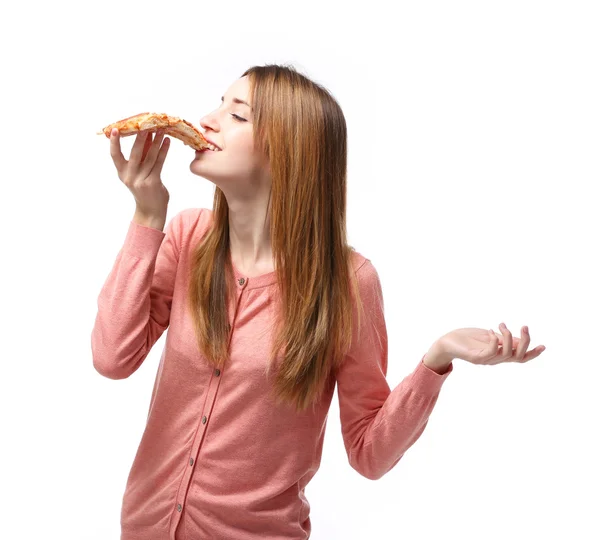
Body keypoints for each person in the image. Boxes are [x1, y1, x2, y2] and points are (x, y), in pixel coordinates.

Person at [91, 64, 546, 540]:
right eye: (218, 104)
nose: (207, 120)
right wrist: (147, 214)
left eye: (238, 116)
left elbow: (369, 453)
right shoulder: (187, 236)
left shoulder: (349, 283)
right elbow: (113, 357)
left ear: (290, 150)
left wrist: (436, 360)